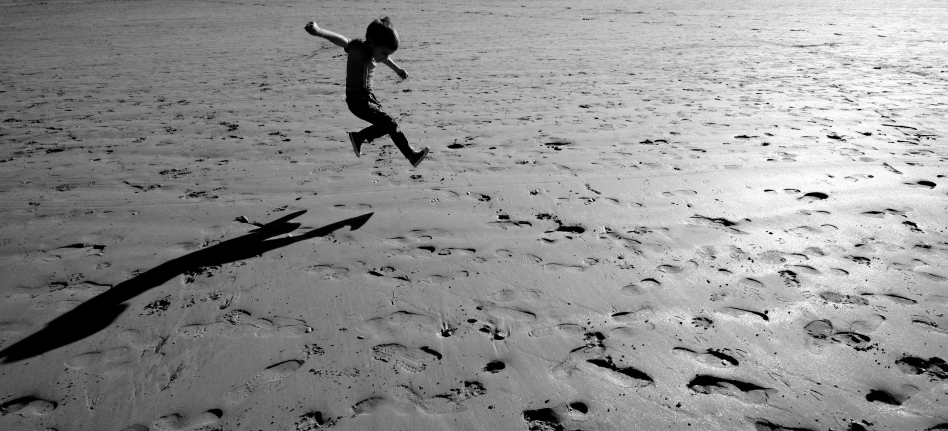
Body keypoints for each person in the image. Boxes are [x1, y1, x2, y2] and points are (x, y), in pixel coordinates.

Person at [304, 17, 429, 167]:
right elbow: (342, 40)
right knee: (390, 123)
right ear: (371, 43)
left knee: (388, 125)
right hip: (357, 101)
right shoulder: (358, 49)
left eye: (388, 54)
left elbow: (384, 59)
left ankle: (362, 139)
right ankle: (404, 153)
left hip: (368, 98)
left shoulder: (375, 51)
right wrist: (319, 31)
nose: (385, 57)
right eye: (384, 53)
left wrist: (397, 69)